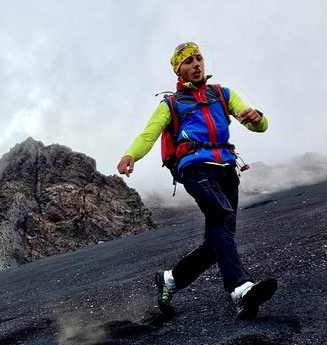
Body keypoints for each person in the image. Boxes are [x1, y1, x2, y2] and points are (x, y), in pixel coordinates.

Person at [117, 42, 277, 320]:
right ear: (178, 69)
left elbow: (257, 125)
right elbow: (148, 135)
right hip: (195, 169)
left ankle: (170, 279)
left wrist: (257, 117)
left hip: (226, 169)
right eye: (188, 61)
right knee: (222, 214)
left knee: (215, 244)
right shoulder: (170, 104)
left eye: (199, 58)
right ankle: (240, 288)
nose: (196, 64)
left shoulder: (222, 94)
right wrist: (131, 155)